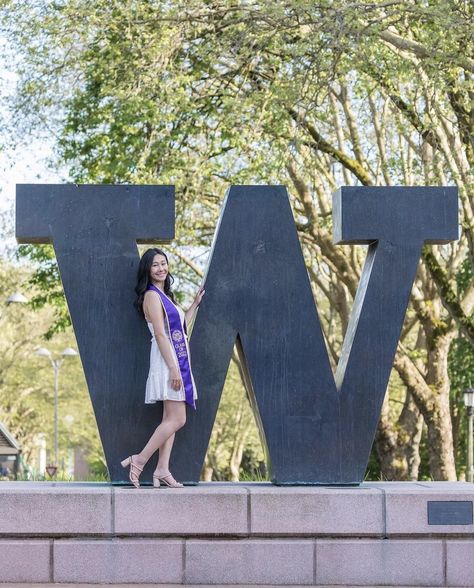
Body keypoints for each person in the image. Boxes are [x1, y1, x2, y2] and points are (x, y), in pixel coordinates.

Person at [121, 248, 204, 488]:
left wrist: (194, 305)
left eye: (164, 263)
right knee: (178, 419)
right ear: (148, 269)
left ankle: (162, 469)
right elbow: (159, 334)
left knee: (170, 418)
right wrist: (174, 369)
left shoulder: (165, 296)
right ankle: (139, 460)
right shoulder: (151, 296)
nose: (161, 268)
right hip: (167, 361)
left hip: (175, 357)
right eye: (155, 265)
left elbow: (180, 331)